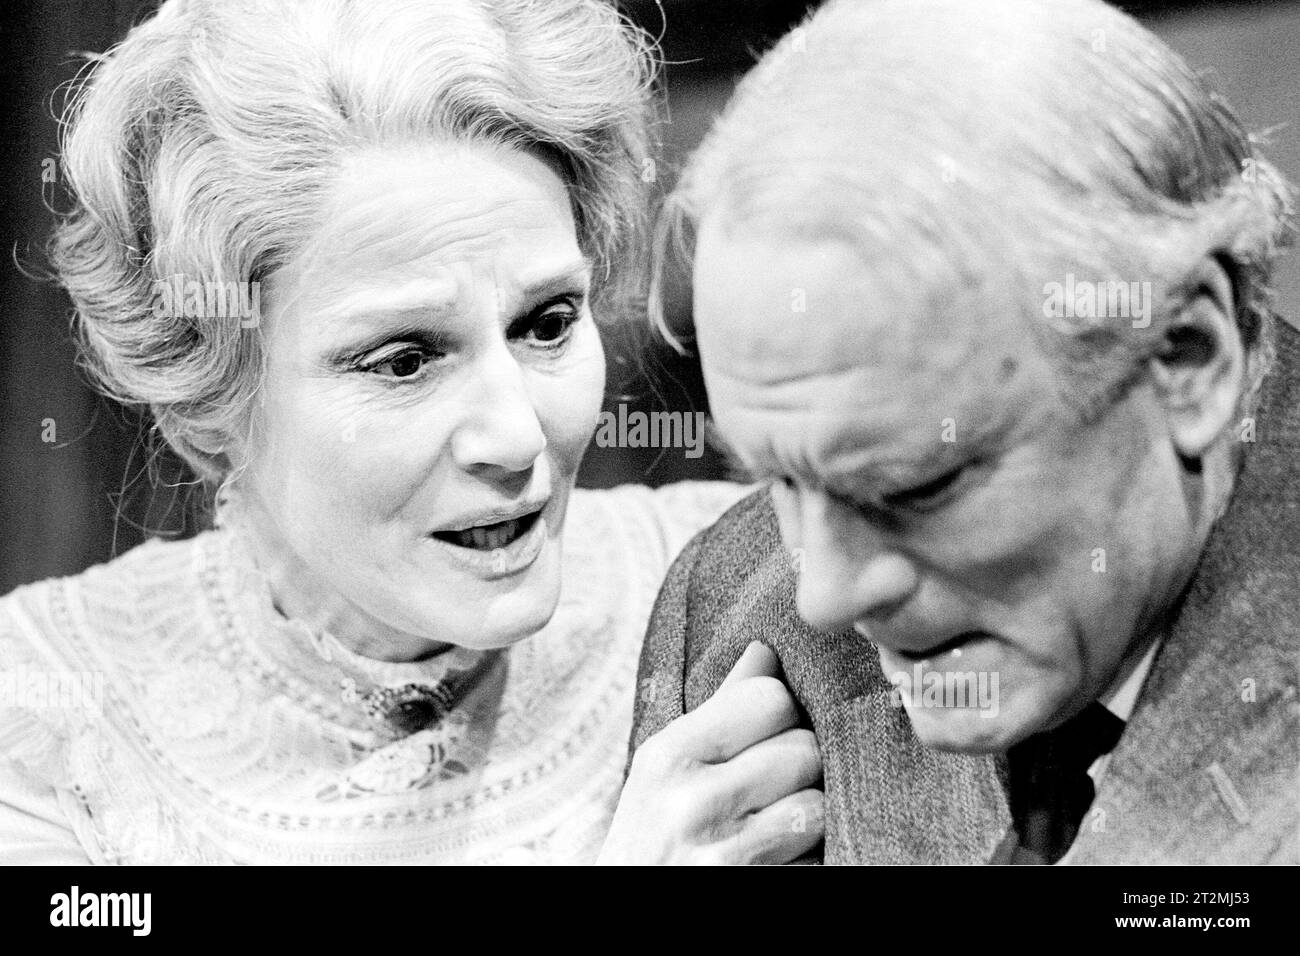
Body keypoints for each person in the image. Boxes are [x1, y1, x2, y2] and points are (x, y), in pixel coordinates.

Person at [0, 0, 822, 865]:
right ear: (207, 409)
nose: (515, 439)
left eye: (546, 323)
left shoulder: (759, 583)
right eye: (403, 361)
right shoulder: (47, 723)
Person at [633, 0, 1298, 863]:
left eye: (912, 488)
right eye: (780, 479)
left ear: (1184, 357)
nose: (822, 596)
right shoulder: (730, 614)